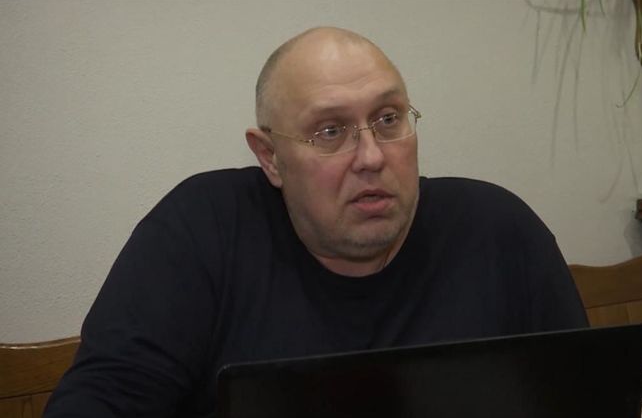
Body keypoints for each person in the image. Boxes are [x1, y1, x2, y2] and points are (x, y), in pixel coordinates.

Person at [45, 27, 587, 418]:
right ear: (270, 157)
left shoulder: (500, 231)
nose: (372, 156)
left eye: (388, 119)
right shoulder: (198, 233)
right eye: (330, 131)